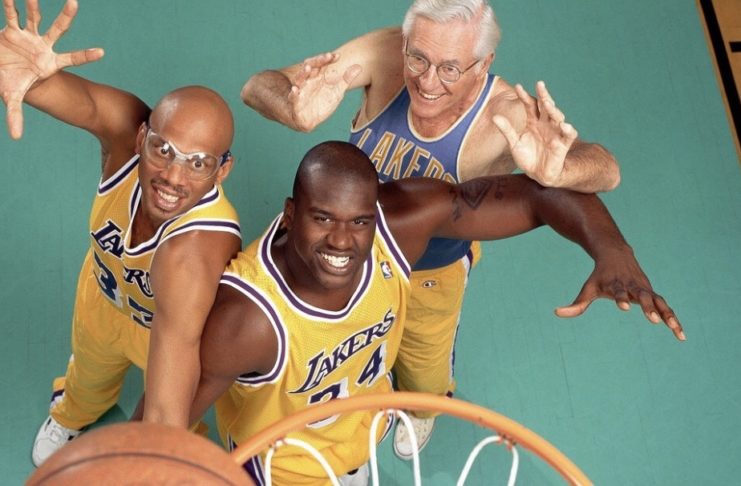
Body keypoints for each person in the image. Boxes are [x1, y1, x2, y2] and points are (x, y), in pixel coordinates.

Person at [240, 0, 623, 459]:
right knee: (327, 348)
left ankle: (424, 410)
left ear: (483, 65)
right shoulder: (384, 53)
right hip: (348, 253)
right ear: (405, 42)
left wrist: (561, 171)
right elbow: (257, 86)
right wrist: (290, 107)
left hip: (430, 272)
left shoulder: (503, 113)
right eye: (418, 58)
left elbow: (607, 168)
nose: (426, 80)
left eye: (450, 68)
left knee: (424, 369)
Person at [188, 141, 682, 485]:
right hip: (282, 469)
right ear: (291, 213)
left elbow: (538, 194)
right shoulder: (247, 321)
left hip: (363, 429)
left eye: (359, 221)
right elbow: (169, 419)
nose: (341, 241)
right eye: (323, 218)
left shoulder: (398, 225)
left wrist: (612, 250)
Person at [0, 0, 242, 466]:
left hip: (167, 325)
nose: (173, 176)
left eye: (198, 163)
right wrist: (24, 75)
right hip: (103, 294)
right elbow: (84, 102)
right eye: (164, 149)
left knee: (172, 417)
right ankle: (72, 414)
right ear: (141, 137)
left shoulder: (193, 252)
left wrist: (155, 458)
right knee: (85, 382)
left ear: (222, 170)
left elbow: (166, 410)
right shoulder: (125, 144)